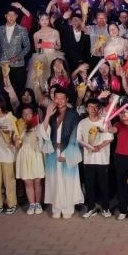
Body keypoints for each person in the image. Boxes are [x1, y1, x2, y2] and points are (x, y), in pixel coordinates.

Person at [40, 87, 84, 219]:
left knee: (67, 180)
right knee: (54, 180)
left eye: (62, 98)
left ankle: (68, 208)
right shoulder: (51, 114)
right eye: (56, 98)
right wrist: (47, 114)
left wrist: (67, 154)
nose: (59, 100)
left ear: (67, 99)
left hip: (68, 152)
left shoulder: (73, 115)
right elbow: (43, 133)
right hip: (53, 152)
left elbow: (76, 136)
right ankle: (56, 207)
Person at [77, 97, 114, 218]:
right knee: (89, 185)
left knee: (104, 185)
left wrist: (99, 147)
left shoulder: (105, 121)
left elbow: (110, 138)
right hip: (88, 160)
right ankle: (91, 208)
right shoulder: (82, 123)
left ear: (99, 109)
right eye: (90, 107)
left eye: (95, 107)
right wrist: (88, 146)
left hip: (102, 160)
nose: (93, 109)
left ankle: (106, 208)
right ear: (86, 109)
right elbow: (79, 139)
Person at [15, 104, 45, 215]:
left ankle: (38, 204)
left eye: (29, 113)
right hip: (25, 155)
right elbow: (17, 145)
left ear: (34, 114)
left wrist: (39, 137)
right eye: (24, 114)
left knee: (38, 181)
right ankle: (31, 204)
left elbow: (44, 141)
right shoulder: (20, 127)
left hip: (36, 154)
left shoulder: (39, 126)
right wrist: (16, 139)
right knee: (28, 182)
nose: (27, 115)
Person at [0, 8, 31, 96]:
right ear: (5, 16)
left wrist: (17, 57)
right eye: (9, 15)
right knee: (6, 90)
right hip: (3, 64)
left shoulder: (22, 29)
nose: (11, 17)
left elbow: (27, 46)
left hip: (18, 64)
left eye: (13, 15)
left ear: (17, 16)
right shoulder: (0, 29)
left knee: (19, 90)